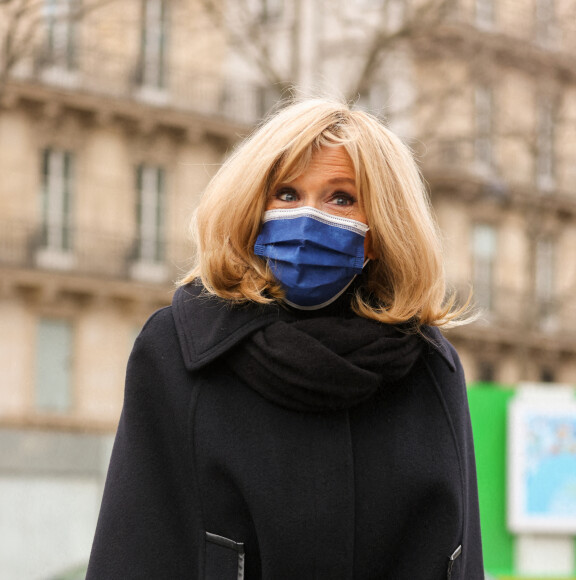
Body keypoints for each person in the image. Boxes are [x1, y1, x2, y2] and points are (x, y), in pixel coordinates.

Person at [87, 98, 484, 579]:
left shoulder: (430, 368)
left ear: (381, 228)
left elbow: (459, 557)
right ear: (255, 209)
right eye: (288, 194)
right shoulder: (175, 351)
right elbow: (132, 548)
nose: (308, 219)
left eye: (341, 197)